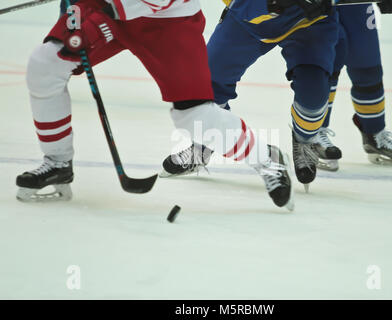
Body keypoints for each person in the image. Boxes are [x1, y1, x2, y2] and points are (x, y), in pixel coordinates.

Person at [15, 0, 294, 211]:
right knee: (46, 64)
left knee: (194, 115)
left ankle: (265, 158)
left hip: (167, 18)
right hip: (106, 9)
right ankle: (57, 162)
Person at [162, 0, 340, 191]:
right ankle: (203, 145)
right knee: (208, 84)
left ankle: (305, 139)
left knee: (313, 94)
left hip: (308, 23)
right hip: (252, 17)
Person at [312, 1, 392, 171]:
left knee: (367, 68)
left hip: (356, 5)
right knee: (325, 68)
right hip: (320, 6)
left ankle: (374, 133)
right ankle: (312, 133)